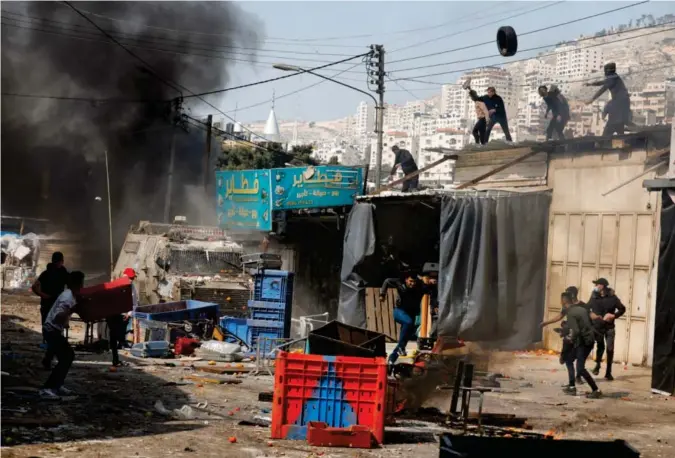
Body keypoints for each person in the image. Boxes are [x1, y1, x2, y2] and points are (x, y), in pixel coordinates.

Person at [40, 271, 85, 399]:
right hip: (51, 330)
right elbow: (58, 316)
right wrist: (71, 310)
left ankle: (57, 385)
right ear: (78, 283)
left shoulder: (70, 295)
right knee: (67, 357)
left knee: (67, 356)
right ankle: (48, 388)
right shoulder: (68, 298)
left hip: (53, 330)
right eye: (82, 282)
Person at [380, 273, 432, 364]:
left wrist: (432, 283)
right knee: (408, 322)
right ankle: (400, 349)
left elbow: (432, 292)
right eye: (410, 281)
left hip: (411, 314)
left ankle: (391, 360)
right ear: (406, 280)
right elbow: (387, 281)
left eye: (414, 282)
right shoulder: (399, 283)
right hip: (400, 311)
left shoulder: (420, 286)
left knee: (403, 340)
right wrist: (382, 294)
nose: (412, 284)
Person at [32, 252, 69, 369]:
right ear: (61, 261)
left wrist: (43, 295)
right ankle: (50, 358)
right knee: (55, 333)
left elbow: (34, 287)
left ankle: (49, 358)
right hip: (55, 307)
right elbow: (72, 287)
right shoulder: (62, 273)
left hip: (49, 306)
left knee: (50, 333)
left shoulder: (46, 273)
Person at [562, 291, 602, 398]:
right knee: (569, 359)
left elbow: (576, 331)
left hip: (584, 342)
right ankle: (571, 387)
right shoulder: (581, 309)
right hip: (587, 340)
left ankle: (596, 390)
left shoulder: (570, 313)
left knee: (580, 368)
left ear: (564, 301)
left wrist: (569, 338)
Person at [586, 278, 626, 381]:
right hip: (598, 327)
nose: (596, 287)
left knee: (610, 349)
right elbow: (587, 308)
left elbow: (622, 308)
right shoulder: (594, 296)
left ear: (602, 286)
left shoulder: (613, 297)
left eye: (597, 285)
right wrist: (592, 316)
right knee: (600, 347)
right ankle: (598, 364)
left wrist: (614, 315)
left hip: (609, 328)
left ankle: (608, 372)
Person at [585, 62, 633, 137]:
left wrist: (592, 99)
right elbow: (602, 82)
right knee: (619, 123)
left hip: (619, 102)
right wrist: (591, 84)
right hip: (623, 102)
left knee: (613, 122)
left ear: (607, 71)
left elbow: (603, 89)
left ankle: (605, 138)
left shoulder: (612, 79)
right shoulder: (614, 77)